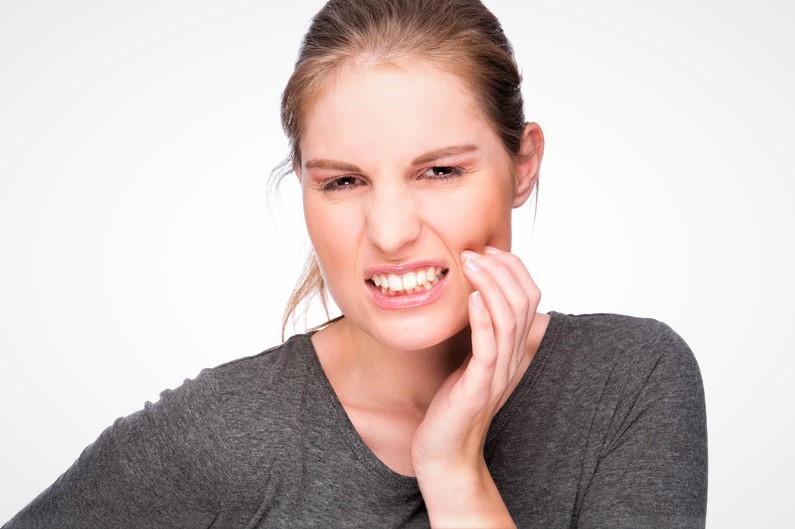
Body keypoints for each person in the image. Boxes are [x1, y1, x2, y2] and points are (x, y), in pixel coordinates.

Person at [2, 0, 707, 527]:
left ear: (522, 164)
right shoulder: (224, 432)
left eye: (437, 171)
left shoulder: (628, 380)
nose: (391, 231)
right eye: (343, 181)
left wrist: (453, 468)